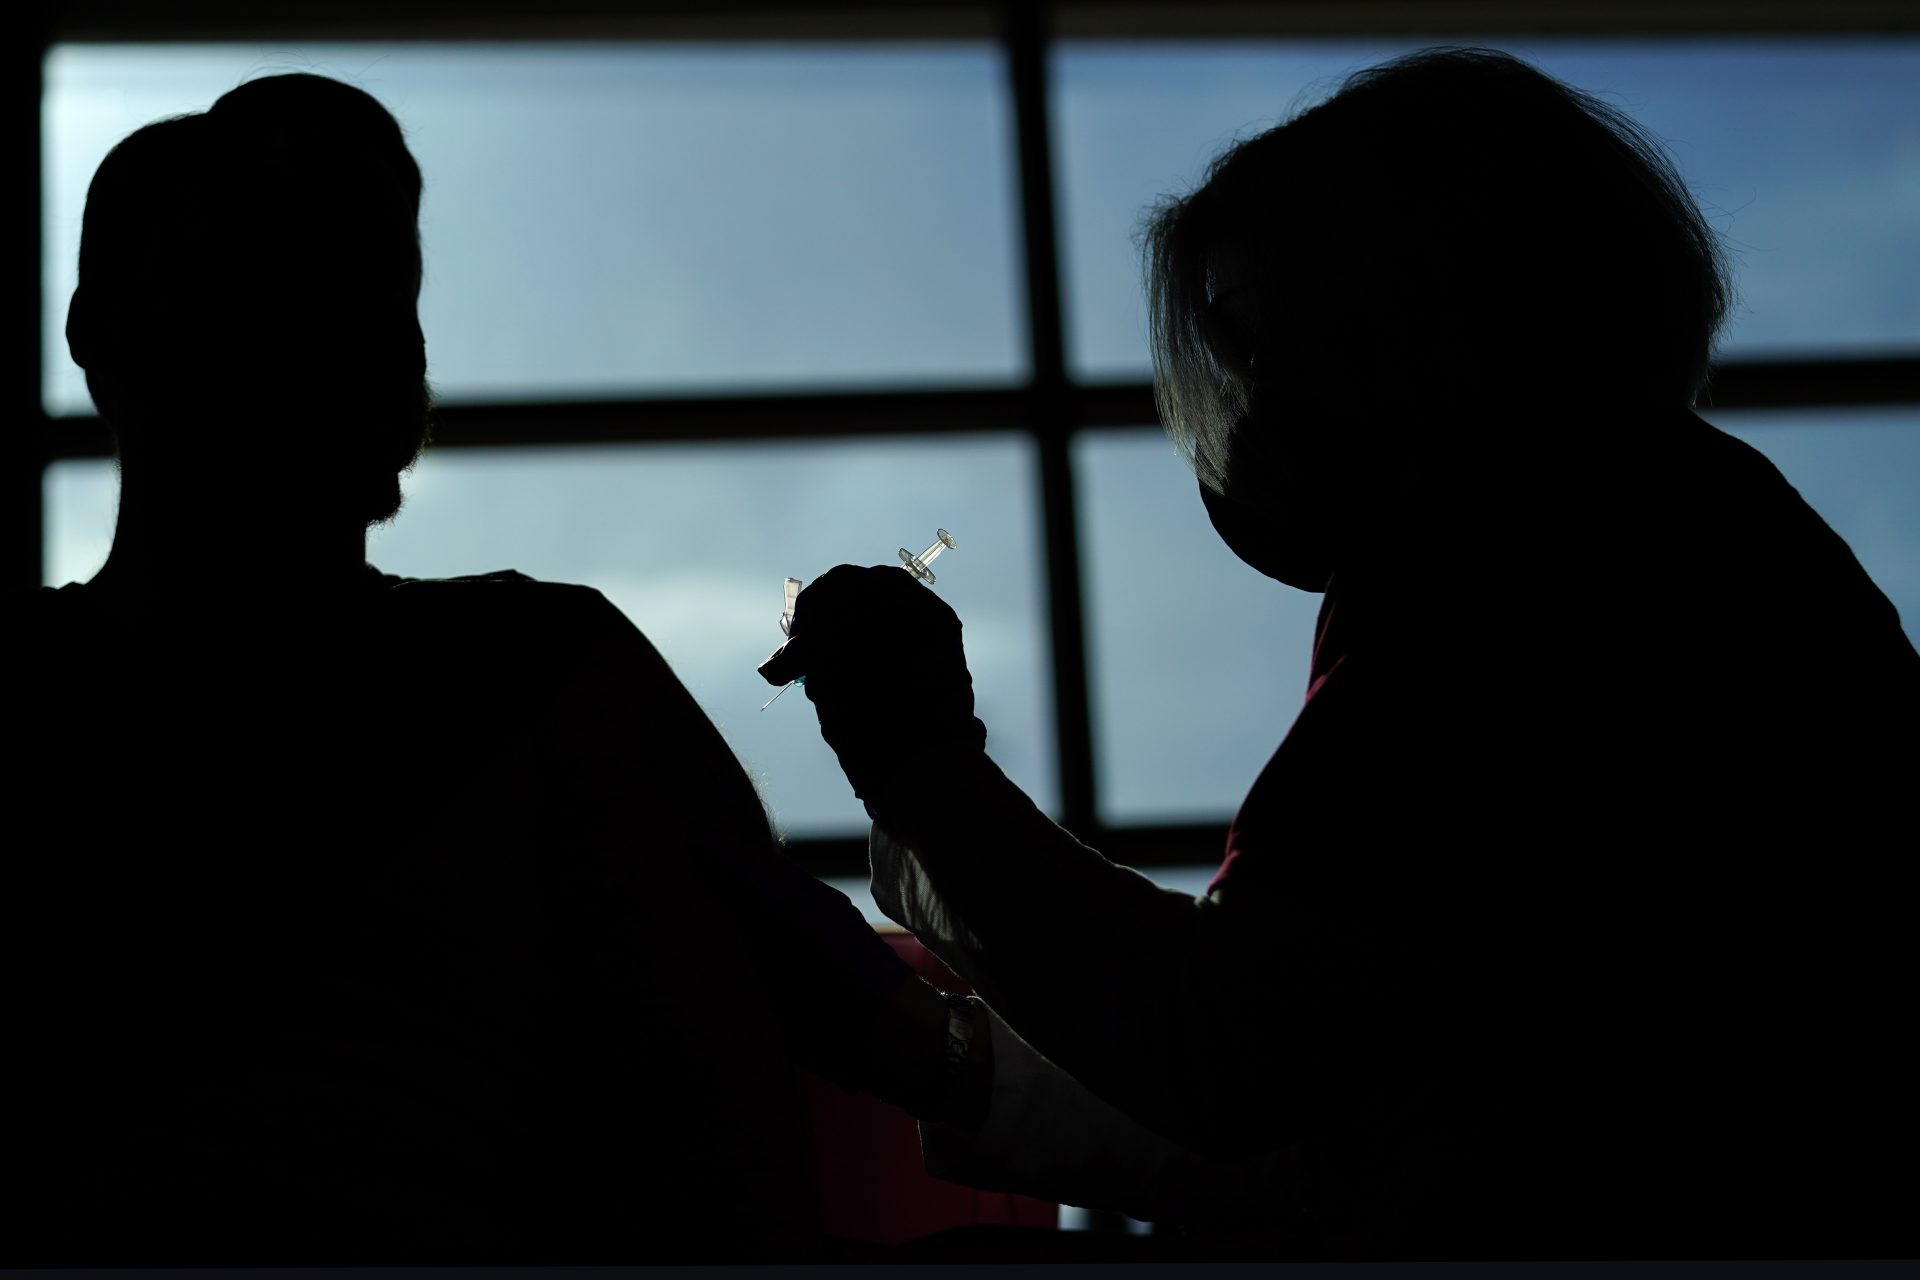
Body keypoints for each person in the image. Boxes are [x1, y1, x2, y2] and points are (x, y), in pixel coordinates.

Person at [760, 48, 1919, 1260]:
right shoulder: (1674, 527)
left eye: (1261, 344)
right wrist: (934, 1047)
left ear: (1424, 305)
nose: (1248, 411)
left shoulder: (1533, 560)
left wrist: (918, 766)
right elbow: (1385, 1110)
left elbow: (1237, 1051)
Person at [12, 73, 988, 1265]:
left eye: (362, 294)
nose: (358, 340)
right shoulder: (545, 680)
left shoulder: (549, 677)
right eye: (279, 280)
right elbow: (732, 1159)